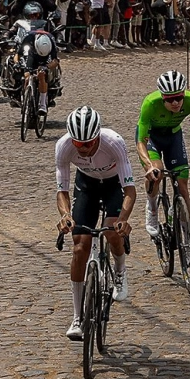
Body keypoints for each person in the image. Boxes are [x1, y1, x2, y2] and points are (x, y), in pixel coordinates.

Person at [55, 106, 136, 340]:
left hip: (113, 185)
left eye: (89, 143)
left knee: (112, 232)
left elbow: (130, 190)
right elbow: (62, 190)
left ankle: (120, 270)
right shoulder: (63, 146)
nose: (84, 148)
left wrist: (123, 220)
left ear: (98, 136)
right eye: (79, 144)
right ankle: (77, 317)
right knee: (80, 247)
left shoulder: (114, 143)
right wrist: (65, 215)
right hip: (87, 184)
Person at [136, 70, 190, 238]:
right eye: (169, 99)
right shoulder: (150, 103)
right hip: (151, 137)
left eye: (179, 97)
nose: (175, 103)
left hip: (173, 136)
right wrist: (149, 166)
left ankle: (187, 239)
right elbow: (141, 142)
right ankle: (152, 206)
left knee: (183, 187)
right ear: (162, 97)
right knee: (157, 172)